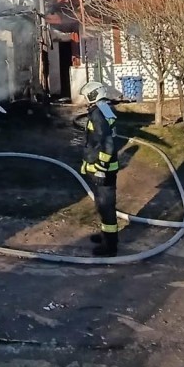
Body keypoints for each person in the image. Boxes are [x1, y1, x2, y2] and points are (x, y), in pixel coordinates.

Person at [79, 81, 122, 257]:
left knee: (106, 206)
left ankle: (110, 246)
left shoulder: (98, 113)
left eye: (86, 96)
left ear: (93, 94)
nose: (85, 100)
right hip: (104, 167)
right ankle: (106, 235)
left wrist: (100, 168)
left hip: (104, 169)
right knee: (102, 204)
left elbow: (107, 143)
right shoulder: (104, 108)